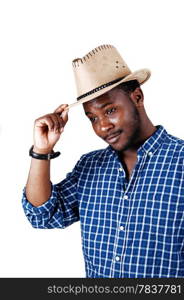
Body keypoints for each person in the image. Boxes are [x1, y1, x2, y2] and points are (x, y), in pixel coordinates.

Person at [22, 44, 184, 278]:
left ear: (137, 97)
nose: (102, 126)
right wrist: (42, 150)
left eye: (109, 111)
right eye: (92, 118)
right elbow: (42, 215)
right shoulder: (90, 167)